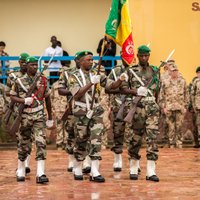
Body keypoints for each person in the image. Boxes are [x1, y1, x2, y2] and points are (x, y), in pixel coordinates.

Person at [119, 45, 160, 182]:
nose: (143, 58)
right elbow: (123, 89)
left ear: (149, 56)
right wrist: (136, 91)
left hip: (151, 108)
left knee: (152, 138)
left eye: (146, 55)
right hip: (137, 108)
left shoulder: (155, 71)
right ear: (137, 56)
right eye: (141, 55)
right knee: (135, 139)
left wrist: (156, 103)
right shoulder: (131, 71)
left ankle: (151, 170)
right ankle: (133, 167)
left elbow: (157, 90)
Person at [10, 56, 53, 183]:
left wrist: (50, 117)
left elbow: (48, 99)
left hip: (39, 116)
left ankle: (41, 173)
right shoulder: (19, 81)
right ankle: (21, 169)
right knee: (24, 144)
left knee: (41, 142)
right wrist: (23, 100)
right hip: (24, 117)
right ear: (27, 66)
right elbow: (13, 97)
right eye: (32, 65)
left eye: (36, 65)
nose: (35, 67)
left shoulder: (43, 80)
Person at [5, 53, 33, 174]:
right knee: (20, 138)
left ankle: (26, 163)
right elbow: (8, 93)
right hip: (17, 109)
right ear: (19, 62)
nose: (24, 64)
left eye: (25, 62)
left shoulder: (33, 76)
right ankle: (21, 163)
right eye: (21, 62)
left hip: (30, 110)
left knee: (29, 137)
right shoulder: (13, 77)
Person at [159, 63, 189, 148]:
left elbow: (187, 95)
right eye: (173, 71)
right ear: (170, 72)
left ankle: (179, 143)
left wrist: (185, 107)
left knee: (179, 126)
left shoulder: (182, 82)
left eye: (176, 71)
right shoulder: (165, 82)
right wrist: (163, 107)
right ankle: (171, 143)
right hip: (169, 108)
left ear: (178, 71)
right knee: (170, 127)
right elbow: (161, 96)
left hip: (180, 108)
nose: (174, 72)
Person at [190, 66, 200, 148]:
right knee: (198, 125)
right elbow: (192, 95)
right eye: (199, 72)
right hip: (198, 106)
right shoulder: (195, 82)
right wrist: (193, 106)